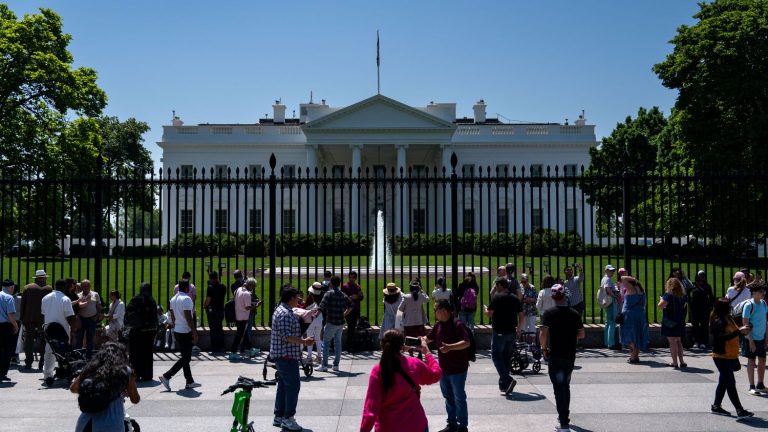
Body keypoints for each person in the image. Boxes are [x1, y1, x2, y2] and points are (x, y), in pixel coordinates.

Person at [360, 329, 442, 432]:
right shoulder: (414, 364)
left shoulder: (378, 371)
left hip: (388, 427)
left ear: (382, 345)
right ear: (402, 346)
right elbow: (436, 374)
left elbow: (371, 411)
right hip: (416, 425)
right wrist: (427, 352)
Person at [539, 284, 585, 432]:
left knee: (558, 388)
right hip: (569, 354)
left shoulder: (549, 313)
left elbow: (543, 333)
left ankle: (563, 422)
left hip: (555, 353)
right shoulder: (574, 314)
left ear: (553, 297)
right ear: (565, 296)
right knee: (566, 385)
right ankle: (564, 415)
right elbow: (581, 334)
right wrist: (570, 336)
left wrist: (543, 348)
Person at [270, 286, 315, 431]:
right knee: (293, 386)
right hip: (286, 356)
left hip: (286, 355)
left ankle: (280, 416)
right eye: (297, 297)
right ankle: (288, 419)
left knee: (284, 386)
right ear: (290, 298)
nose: (299, 299)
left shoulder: (285, 311)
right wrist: (304, 342)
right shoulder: (284, 314)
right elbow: (286, 337)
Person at [71, 342, 141, 431]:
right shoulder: (125, 371)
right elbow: (135, 399)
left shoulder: (90, 368)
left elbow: (73, 388)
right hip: (111, 424)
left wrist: (92, 390)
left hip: (85, 424)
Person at [426, 300, 471, 432]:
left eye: (435, 310)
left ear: (444, 310)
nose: (434, 313)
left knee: (459, 398)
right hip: (444, 369)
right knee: (448, 397)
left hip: (458, 369)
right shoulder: (438, 325)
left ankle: (462, 427)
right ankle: (452, 424)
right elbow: (427, 339)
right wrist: (411, 344)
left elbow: (466, 342)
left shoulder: (457, 324)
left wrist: (450, 347)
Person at [709, 298, 754, 418]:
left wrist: (744, 330)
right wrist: (739, 331)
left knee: (723, 382)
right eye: (728, 306)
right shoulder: (718, 321)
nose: (731, 308)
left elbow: (735, 332)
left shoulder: (729, 318)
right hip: (721, 356)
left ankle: (716, 406)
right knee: (730, 383)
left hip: (730, 355)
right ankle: (739, 410)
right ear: (723, 309)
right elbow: (721, 338)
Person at [483, 278, 523, 396]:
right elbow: (521, 315)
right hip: (511, 332)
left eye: (496, 286)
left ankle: (508, 379)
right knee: (505, 357)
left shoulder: (497, 298)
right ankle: (504, 384)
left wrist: (485, 308)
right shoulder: (515, 298)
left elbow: (489, 314)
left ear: (500, 285)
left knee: (496, 356)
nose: (495, 288)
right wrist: (519, 329)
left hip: (499, 332)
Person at [160, 279, 200, 391]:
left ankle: (189, 381)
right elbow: (189, 317)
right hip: (185, 331)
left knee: (185, 357)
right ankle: (166, 376)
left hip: (177, 330)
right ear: (187, 288)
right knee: (186, 358)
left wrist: (175, 324)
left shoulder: (173, 299)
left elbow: (172, 316)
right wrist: (194, 332)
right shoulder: (187, 299)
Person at [41, 279, 75, 386]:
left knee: (49, 352)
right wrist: (74, 327)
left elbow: (43, 314)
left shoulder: (45, 298)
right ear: (65, 287)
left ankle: (47, 375)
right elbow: (70, 317)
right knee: (64, 353)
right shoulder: (65, 299)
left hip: (49, 329)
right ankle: (65, 372)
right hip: (62, 331)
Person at [125, 282, 158, 381]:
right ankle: (147, 374)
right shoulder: (152, 300)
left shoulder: (135, 299)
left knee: (135, 353)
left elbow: (128, 314)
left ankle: (136, 373)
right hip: (149, 331)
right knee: (147, 353)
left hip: (137, 331)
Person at [319, 276, 352, 372]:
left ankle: (324, 365)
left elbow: (322, 306)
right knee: (338, 343)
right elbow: (351, 305)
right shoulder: (342, 294)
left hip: (331, 321)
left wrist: (315, 314)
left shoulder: (328, 294)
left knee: (326, 343)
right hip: (340, 322)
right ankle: (336, 365)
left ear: (331, 283)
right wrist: (344, 314)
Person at [20, 269, 51, 369]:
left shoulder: (27, 288)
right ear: (44, 278)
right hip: (43, 318)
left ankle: (28, 362)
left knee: (29, 341)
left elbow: (23, 304)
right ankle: (42, 361)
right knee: (43, 340)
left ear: (36, 278)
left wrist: (22, 317)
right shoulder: (48, 289)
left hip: (29, 318)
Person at [741, 283, 767, 395]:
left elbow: (765, 321)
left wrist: (766, 337)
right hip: (750, 339)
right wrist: (750, 340)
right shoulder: (748, 305)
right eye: (761, 292)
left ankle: (760, 384)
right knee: (751, 361)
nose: (763, 293)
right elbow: (745, 325)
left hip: (761, 338)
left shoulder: (764, 303)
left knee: (762, 360)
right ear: (755, 293)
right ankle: (751, 386)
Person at [659, 278, 688, 368]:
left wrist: (661, 299)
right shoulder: (683, 295)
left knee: (672, 342)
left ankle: (675, 362)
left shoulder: (668, 294)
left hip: (670, 320)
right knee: (679, 341)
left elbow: (661, 305)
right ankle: (682, 361)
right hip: (680, 320)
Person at [619, 276, 647, 363]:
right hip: (640, 315)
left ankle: (633, 357)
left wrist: (634, 279)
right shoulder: (642, 291)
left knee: (630, 337)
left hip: (630, 316)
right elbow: (644, 304)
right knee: (638, 335)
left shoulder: (631, 289)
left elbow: (623, 277)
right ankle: (636, 356)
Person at [75, 280, 101, 359]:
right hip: (81, 319)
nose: (86, 287)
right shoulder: (78, 295)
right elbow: (76, 308)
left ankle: (88, 356)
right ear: (81, 287)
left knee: (90, 339)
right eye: (84, 286)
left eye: (87, 286)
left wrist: (96, 316)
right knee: (79, 338)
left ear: (90, 286)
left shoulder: (95, 294)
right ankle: (78, 357)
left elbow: (99, 306)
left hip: (91, 319)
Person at [0, 279, 19, 381]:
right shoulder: (9, 298)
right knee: (6, 351)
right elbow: (11, 315)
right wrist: (15, 325)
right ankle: (2, 373)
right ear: (11, 288)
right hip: (5, 327)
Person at [690, 270, 715, 349]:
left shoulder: (707, 286)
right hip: (695, 307)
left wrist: (711, 307)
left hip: (705, 308)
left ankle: (704, 342)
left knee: (704, 325)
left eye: (703, 275)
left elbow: (711, 297)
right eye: (700, 275)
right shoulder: (693, 285)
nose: (702, 277)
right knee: (695, 325)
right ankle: (696, 341)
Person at [231, 277, 256, 355]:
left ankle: (249, 348)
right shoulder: (247, 294)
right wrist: (256, 305)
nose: (253, 288)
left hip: (237, 315)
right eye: (253, 286)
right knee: (239, 335)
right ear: (250, 285)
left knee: (243, 334)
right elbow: (247, 307)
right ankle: (233, 352)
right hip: (243, 317)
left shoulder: (238, 289)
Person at [204, 271, 227, 353]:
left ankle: (214, 346)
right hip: (220, 310)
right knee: (219, 328)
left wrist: (205, 305)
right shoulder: (223, 287)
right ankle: (221, 346)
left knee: (213, 329)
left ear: (210, 278)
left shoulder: (210, 287)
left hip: (212, 311)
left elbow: (208, 300)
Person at [599, 265, 620, 349]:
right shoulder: (607, 279)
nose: (612, 272)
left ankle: (606, 342)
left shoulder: (604, 278)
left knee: (608, 322)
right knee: (612, 322)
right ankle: (611, 343)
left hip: (607, 302)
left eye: (613, 271)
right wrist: (615, 296)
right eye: (610, 270)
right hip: (610, 301)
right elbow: (608, 289)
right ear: (606, 271)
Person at [342, 271, 364, 351]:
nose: (351, 279)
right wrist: (351, 297)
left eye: (353, 277)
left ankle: (350, 344)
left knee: (353, 327)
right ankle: (349, 345)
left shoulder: (357, 286)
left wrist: (357, 296)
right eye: (350, 277)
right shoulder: (345, 286)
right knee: (351, 327)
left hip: (356, 309)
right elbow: (343, 297)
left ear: (355, 278)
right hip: (348, 310)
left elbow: (361, 297)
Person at [303, 282, 325, 364]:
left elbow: (305, 308)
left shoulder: (310, 297)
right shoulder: (322, 297)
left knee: (310, 337)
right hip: (319, 318)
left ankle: (309, 357)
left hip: (311, 318)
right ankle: (319, 356)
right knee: (318, 338)